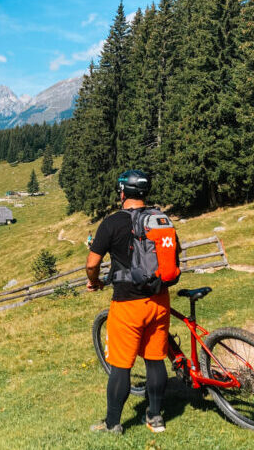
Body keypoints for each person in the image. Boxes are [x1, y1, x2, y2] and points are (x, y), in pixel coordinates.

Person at [86, 170, 174, 435]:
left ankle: (113, 422)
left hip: (127, 303)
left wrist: (95, 280)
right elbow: (174, 253)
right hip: (159, 299)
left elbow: (92, 263)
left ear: (123, 192)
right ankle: (155, 417)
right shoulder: (161, 219)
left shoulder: (112, 223)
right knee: (155, 360)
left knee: (121, 366)